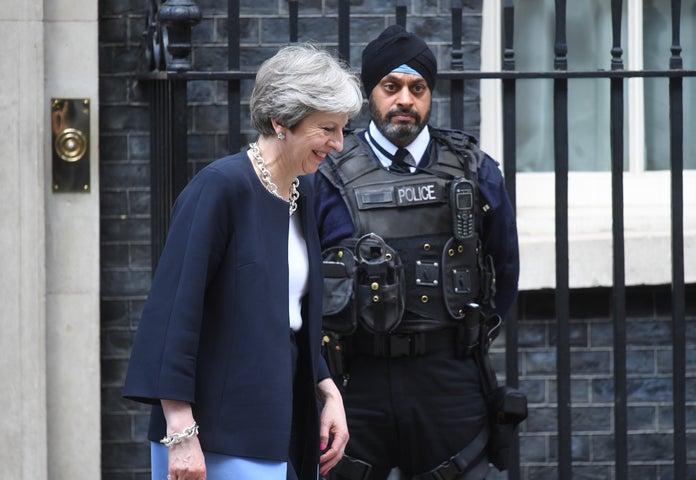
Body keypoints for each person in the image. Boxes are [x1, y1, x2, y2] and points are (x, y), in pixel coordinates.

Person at [123, 43, 363, 480]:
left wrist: (328, 389)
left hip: (283, 417)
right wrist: (180, 431)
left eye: (342, 129)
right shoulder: (220, 188)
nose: (338, 144)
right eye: (327, 128)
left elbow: (287, 313)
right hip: (215, 435)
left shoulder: (300, 191)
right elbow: (173, 314)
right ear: (281, 122)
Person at [313, 25, 520, 479]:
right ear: (371, 94)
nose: (405, 99)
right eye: (391, 86)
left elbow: (505, 269)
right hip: (355, 380)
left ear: (429, 95)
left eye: (417, 87)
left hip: (449, 376)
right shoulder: (324, 176)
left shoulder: (476, 171)